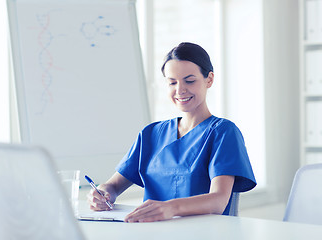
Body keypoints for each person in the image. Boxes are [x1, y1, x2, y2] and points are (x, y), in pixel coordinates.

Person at [87, 42, 256, 223]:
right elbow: (113, 185)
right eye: (172, 82)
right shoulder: (151, 134)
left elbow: (218, 200)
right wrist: (103, 193)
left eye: (189, 81)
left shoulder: (223, 132)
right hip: (152, 232)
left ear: (209, 79)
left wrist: (171, 207)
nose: (180, 90)